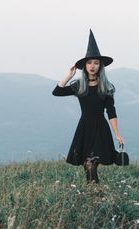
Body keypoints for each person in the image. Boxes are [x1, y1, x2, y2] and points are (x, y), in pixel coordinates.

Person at [52, 29, 125, 184]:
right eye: (89, 62)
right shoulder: (79, 86)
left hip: (100, 129)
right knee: (87, 165)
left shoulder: (106, 88)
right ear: (85, 66)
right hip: (84, 128)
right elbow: (57, 92)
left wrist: (117, 134)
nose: (92, 66)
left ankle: (94, 194)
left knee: (91, 162)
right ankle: (93, 193)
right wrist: (68, 76)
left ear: (100, 66)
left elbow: (111, 112)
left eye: (96, 63)